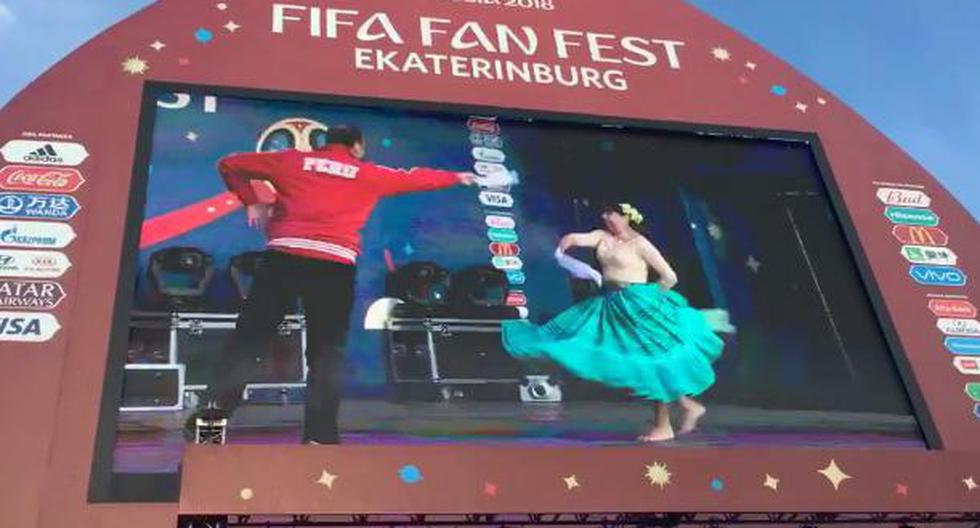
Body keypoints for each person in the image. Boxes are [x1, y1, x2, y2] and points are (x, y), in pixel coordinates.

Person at [190, 125, 479, 444]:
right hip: (334, 267)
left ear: (326, 143)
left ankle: (210, 424)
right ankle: (320, 436)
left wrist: (252, 201)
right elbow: (417, 177)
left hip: (284, 259)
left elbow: (229, 164)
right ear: (356, 146)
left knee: (249, 340)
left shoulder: (292, 161)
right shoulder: (367, 173)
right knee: (326, 352)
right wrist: (457, 177)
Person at [501, 203, 732, 442]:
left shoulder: (640, 244)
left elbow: (669, 277)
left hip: (638, 304)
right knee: (620, 352)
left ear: (625, 217)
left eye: (610, 213)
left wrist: (650, 299)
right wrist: (568, 241)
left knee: (650, 362)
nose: (605, 217)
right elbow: (581, 238)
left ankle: (664, 425)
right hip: (612, 304)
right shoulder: (602, 237)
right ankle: (687, 405)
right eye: (604, 213)